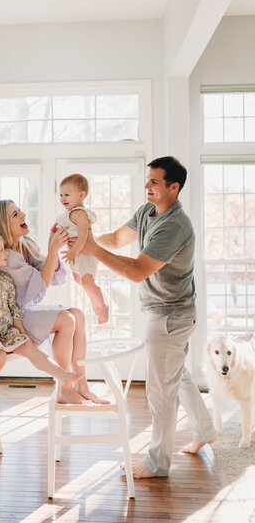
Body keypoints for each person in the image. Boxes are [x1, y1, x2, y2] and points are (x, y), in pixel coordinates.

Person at [80, 156, 217, 478]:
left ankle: (157, 464)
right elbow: (115, 239)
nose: (147, 186)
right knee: (178, 376)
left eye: (154, 182)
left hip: (170, 317)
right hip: (163, 312)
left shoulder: (175, 226)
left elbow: (139, 270)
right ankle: (205, 430)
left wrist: (92, 250)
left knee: (160, 391)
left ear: (174, 187)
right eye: (148, 180)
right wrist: (83, 240)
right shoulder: (147, 211)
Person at [0, 199, 109, 404]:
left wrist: (53, 244)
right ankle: (65, 388)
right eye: (15, 215)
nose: (23, 215)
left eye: (20, 211)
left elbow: (55, 276)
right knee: (67, 320)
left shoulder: (27, 246)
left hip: (25, 310)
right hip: (11, 318)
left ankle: (82, 384)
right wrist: (52, 250)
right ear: (2, 225)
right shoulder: (6, 256)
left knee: (78, 314)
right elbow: (39, 285)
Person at [0, 229, 83, 415]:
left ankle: (62, 375)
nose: (7, 254)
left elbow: (14, 310)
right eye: (2, 250)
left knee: (31, 350)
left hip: (7, 331)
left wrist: (21, 332)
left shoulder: (5, 279)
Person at [56, 174, 108, 324]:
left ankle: (102, 306)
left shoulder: (80, 214)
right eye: (61, 195)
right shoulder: (70, 214)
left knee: (87, 281)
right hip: (77, 253)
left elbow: (83, 235)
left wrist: (74, 251)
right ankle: (94, 298)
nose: (62, 198)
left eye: (67, 195)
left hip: (85, 254)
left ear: (81, 195)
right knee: (78, 279)